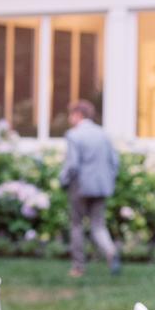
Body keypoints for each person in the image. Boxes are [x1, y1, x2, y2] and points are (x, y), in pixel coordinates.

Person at [59, 99, 120, 279]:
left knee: (77, 225)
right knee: (98, 225)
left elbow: (72, 165)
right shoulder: (103, 134)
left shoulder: (74, 135)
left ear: (78, 115)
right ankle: (111, 251)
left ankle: (78, 267)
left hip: (80, 186)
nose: (70, 119)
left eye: (71, 115)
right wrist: (108, 181)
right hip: (102, 186)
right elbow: (114, 162)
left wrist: (63, 180)